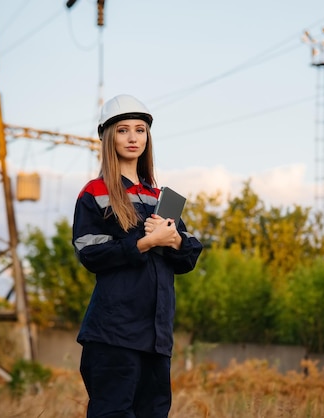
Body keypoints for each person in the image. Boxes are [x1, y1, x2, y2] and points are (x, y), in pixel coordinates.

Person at [72, 94, 203, 417]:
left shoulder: (160, 197)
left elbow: (189, 254)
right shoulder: (95, 192)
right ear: (108, 137)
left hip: (157, 338)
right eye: (123, 130)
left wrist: (172, 241)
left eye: (140, 130)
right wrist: (144, 243)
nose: (133, 138)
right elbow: (90, 252)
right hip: (114, 335)